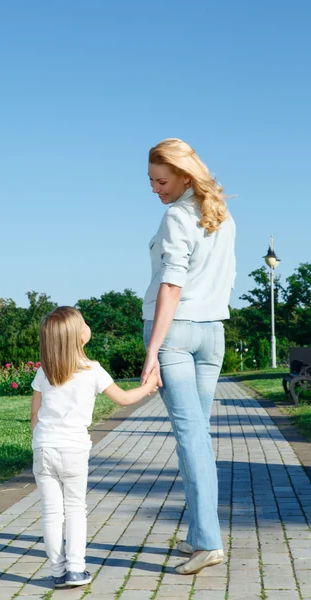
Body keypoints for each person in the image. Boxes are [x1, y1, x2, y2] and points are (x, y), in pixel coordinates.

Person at [141, 138, 236, 575]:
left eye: (161, 180)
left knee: (190, 435)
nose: (155, 189)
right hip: (212, 333)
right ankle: (202, 535)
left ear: (184, 175)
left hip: (177, 334)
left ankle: (209, 543)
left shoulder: (177, 215)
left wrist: (154, 348)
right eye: (151, 181)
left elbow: (172, 285)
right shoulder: (222, 215)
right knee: (198, 436)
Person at [31, 306, 158, 589]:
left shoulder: (44, 372)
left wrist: (36, 442)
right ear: (80, 337)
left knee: (51, 511)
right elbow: (124, 399)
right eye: (85, 323)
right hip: (73, 450)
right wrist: (148, 386)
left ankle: (57, 571)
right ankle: (76, 569)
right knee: (75, 508)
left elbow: (35, 415)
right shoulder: (93, 370)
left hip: (43, 448)